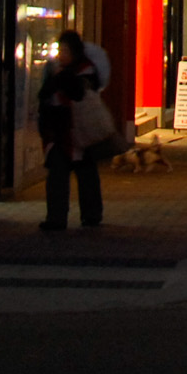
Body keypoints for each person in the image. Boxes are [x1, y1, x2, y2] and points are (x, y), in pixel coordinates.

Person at [37, 31, 111, 230]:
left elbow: (78, 93)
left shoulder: (85, 70)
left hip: (80, 130)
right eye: (60, 50)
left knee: (86, 174)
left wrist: (62, 78)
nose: (62, 54)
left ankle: (91, 215)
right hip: (60, 131)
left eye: (66, 50)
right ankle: (56, 218)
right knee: (57, 175)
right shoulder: (55, 70)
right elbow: (43, 95)